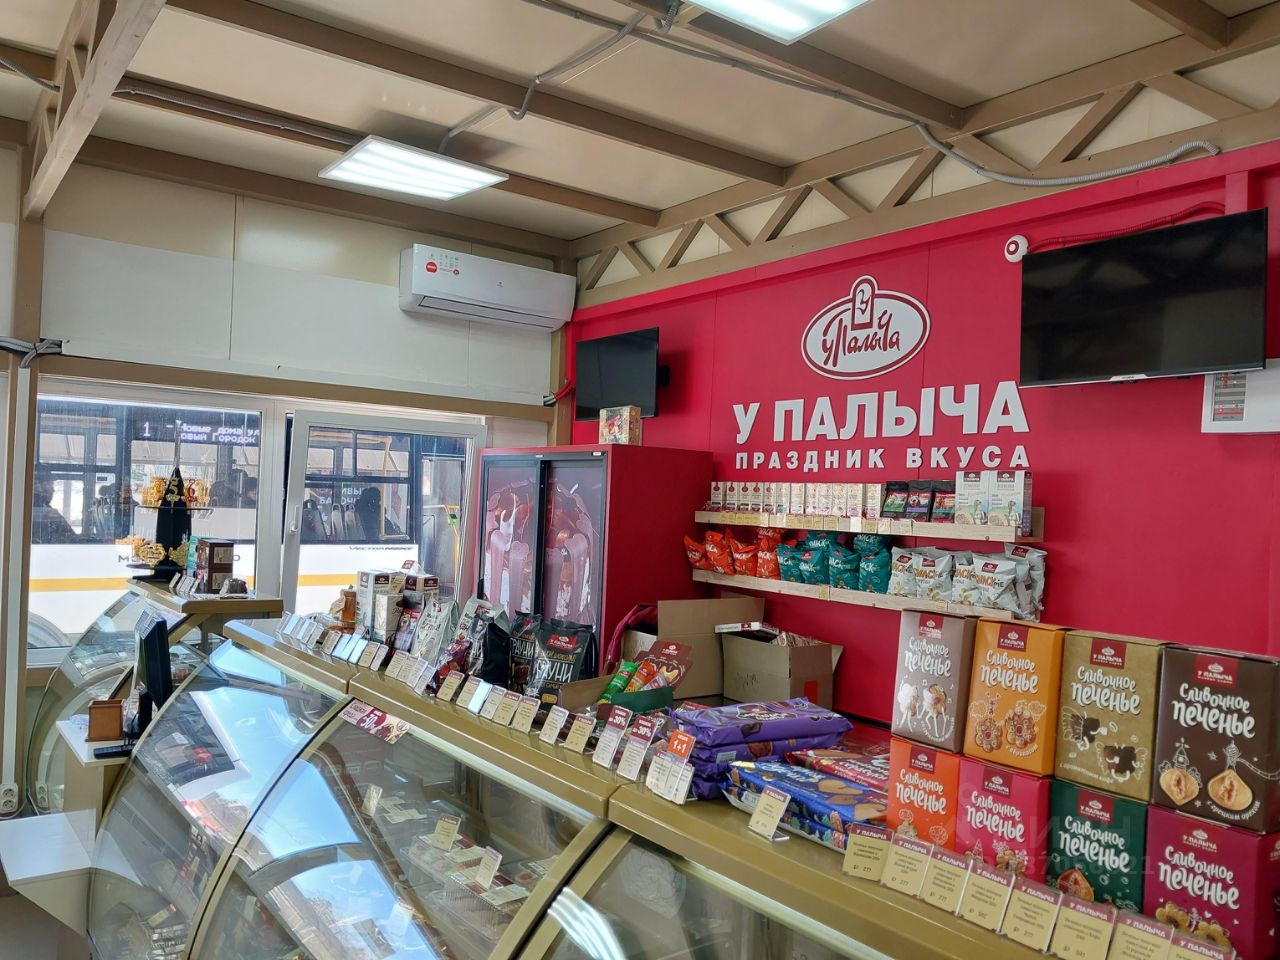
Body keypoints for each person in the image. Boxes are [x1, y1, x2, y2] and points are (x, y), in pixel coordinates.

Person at [31, 479, 77, 543]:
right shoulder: (49, 514)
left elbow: (72, 537)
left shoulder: (51, 511)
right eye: (50, 484)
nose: (53, 490)